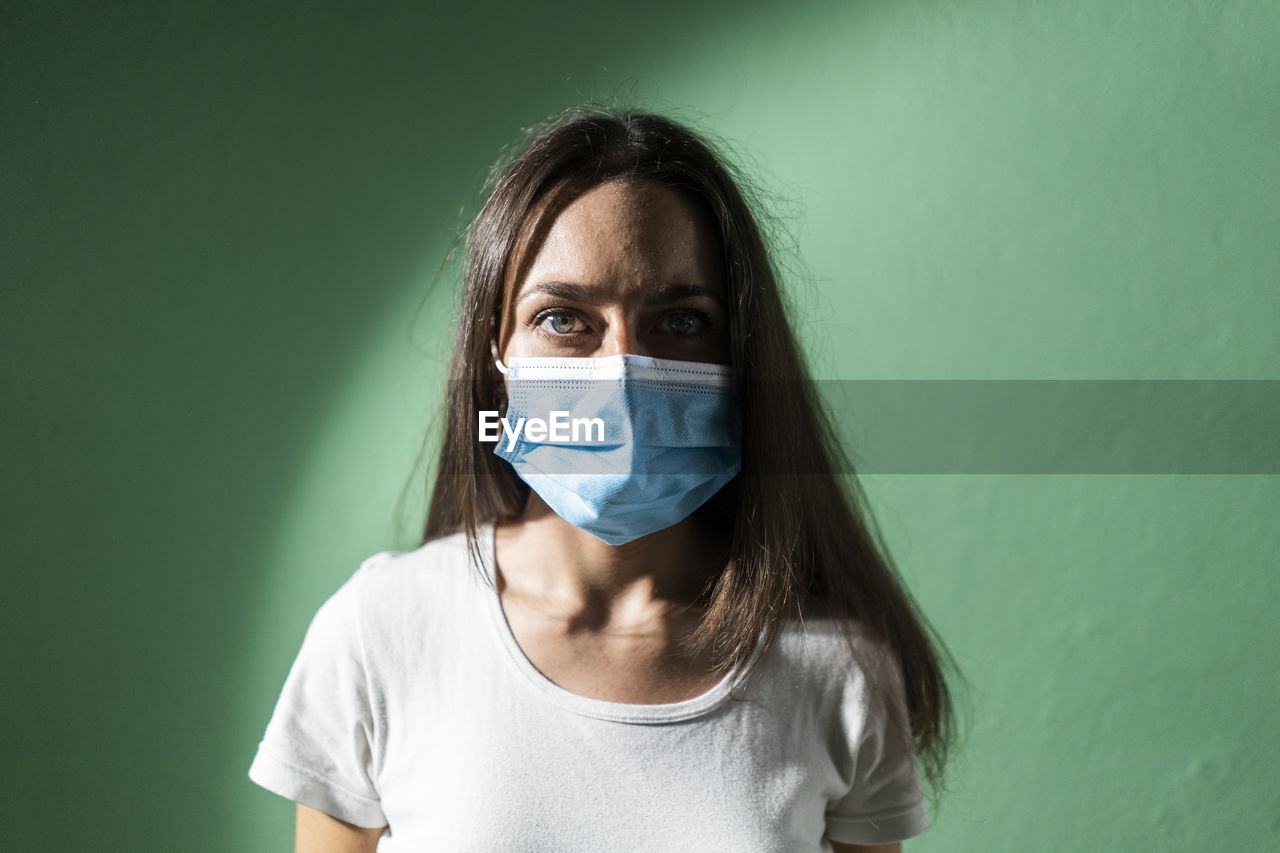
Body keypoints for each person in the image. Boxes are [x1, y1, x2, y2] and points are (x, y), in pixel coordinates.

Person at [249, 106, 955, 852]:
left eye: (679, 321)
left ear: (741, 354)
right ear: (498, 354)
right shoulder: (380, 630)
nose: (621, 372)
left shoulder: (838, 668)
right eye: (563, 318)